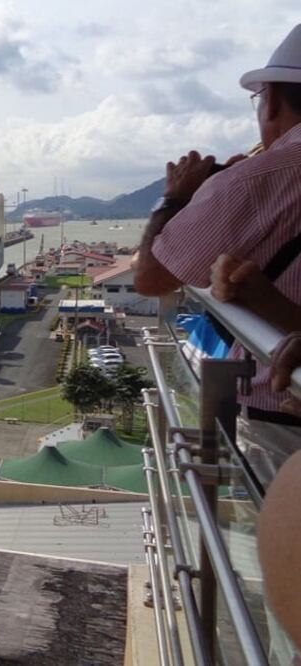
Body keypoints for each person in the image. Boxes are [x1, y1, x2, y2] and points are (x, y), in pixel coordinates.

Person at [133, 24, 301, 484]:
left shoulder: (258, 178)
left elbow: (150, 278)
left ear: (271, 101)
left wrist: (176, 199)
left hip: (282, 414)